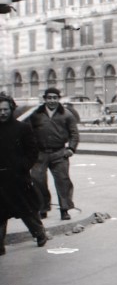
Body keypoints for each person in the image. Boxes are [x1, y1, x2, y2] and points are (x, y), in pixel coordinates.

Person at [0, 93, 48, 255]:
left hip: (18, 178)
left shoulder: (22, 128)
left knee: (27, 211)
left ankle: (39, 234)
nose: (2, 113)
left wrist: (22, 167)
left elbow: (32, 152)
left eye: (5, 109)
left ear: (11, 109)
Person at [29, 88, 80, 221]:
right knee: (37, 180)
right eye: (49, 98)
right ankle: (43, 207)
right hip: (40, 154)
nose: (52, 100)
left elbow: (74, 133)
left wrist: (71, 149)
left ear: (59, 99)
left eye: (55, 98)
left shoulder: (67, 114)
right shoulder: (36, 114)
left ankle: (64, 209)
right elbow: (28, 132)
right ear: (45, 99)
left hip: (59, 153)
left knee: (63, 181)